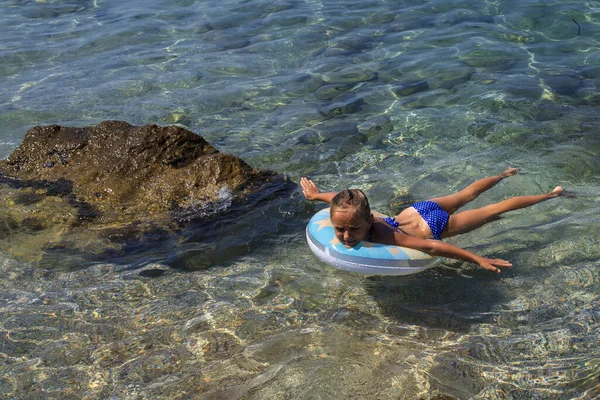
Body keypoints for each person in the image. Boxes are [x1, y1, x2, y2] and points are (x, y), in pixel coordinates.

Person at [300, 168, 565, 273]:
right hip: (416, 210)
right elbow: (337, 199)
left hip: (433, 226)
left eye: (353, 229)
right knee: (467, 194)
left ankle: (550, 196)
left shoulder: (383, 234)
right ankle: (503, 175)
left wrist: (478, 259)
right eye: (340, 229)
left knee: (492, 211)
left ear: (369, 221)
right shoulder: (352, 213)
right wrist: (316, 195)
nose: (346, 235)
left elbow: (432, 247)